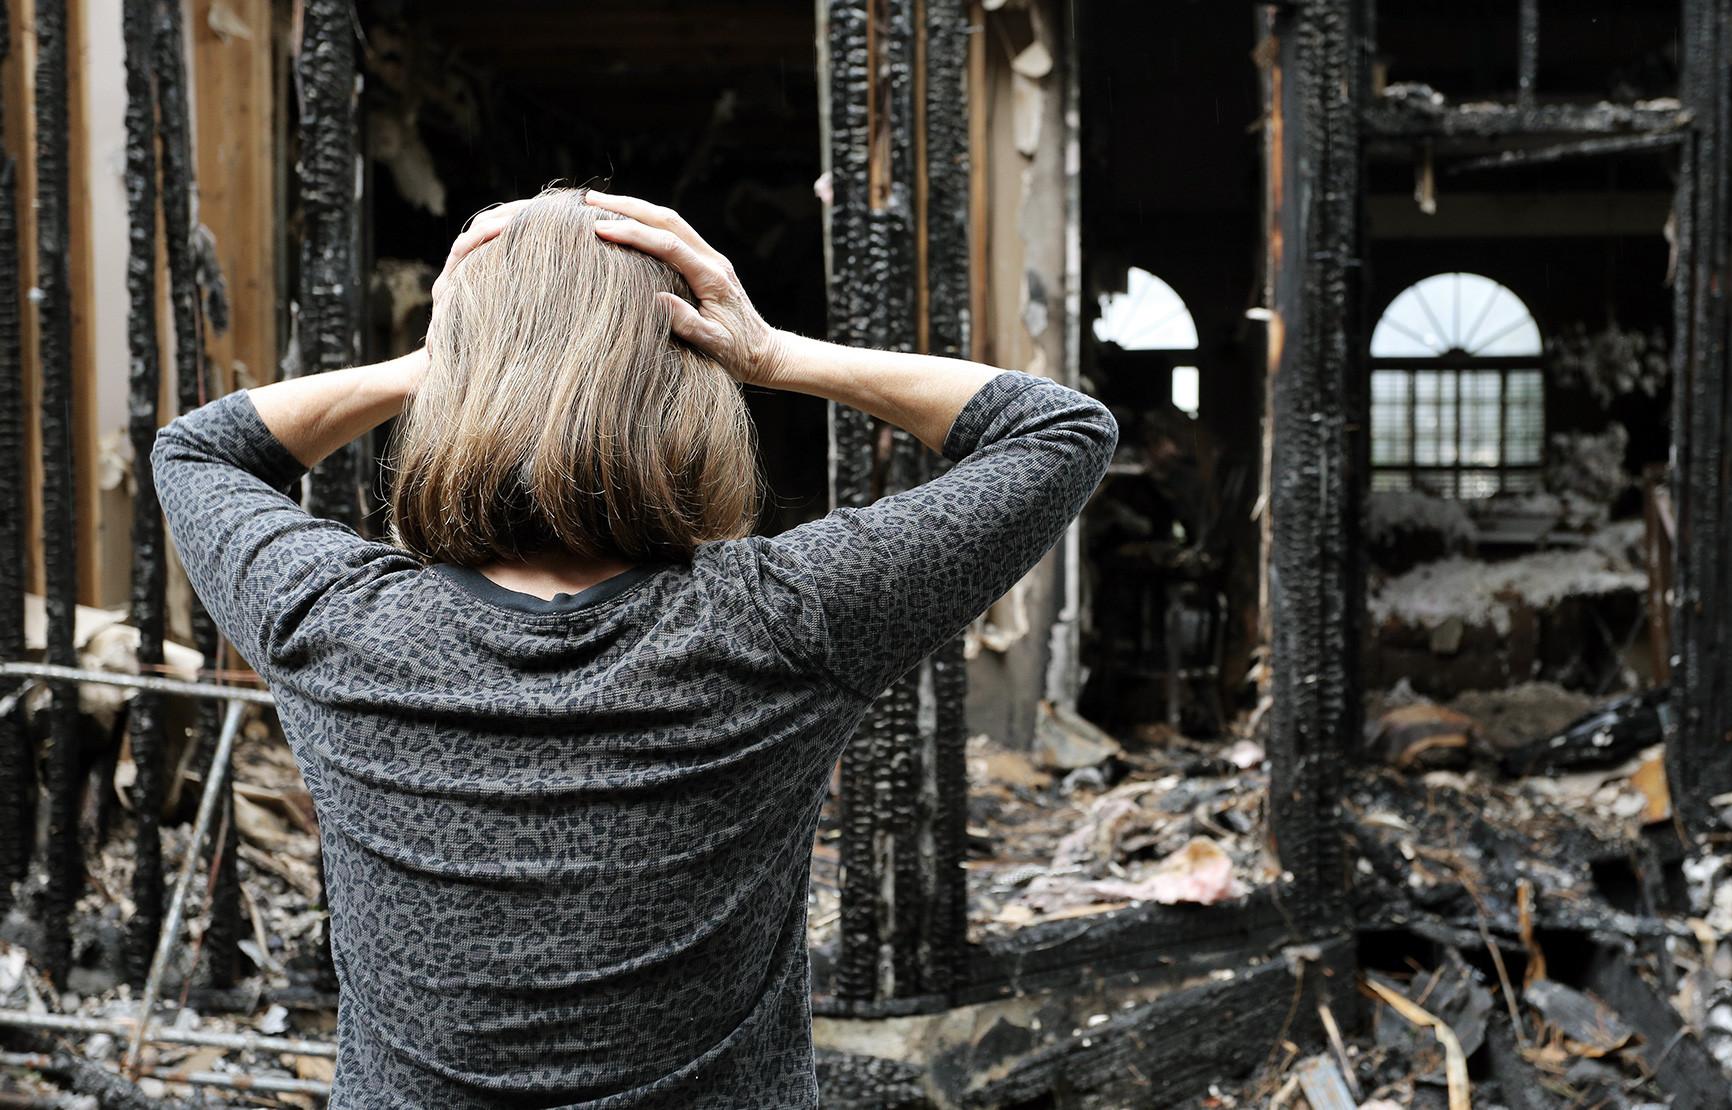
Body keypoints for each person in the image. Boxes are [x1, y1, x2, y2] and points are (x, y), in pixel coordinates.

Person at [151, 187, 1116, 1107]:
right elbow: (1056, 430)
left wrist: (441, 361)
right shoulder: (777, 623)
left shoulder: (335, 623)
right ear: (686, 382)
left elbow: (195, 451)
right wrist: (772, 354)